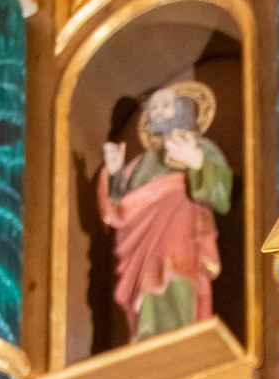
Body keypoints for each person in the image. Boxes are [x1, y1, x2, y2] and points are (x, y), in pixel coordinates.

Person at [99, 80, 232, 342]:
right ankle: (146, 337)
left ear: (181, 111)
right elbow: (121, 210)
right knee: (146, 290)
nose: (158, 111)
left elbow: (222, 194)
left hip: (180, 226)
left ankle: (179, 334)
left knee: (175, 273)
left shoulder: (200, 147)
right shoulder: (139, 163)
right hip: (140, 237)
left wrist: (197, 161)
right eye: (154, 108)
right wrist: (114, 174)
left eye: (165, 105)